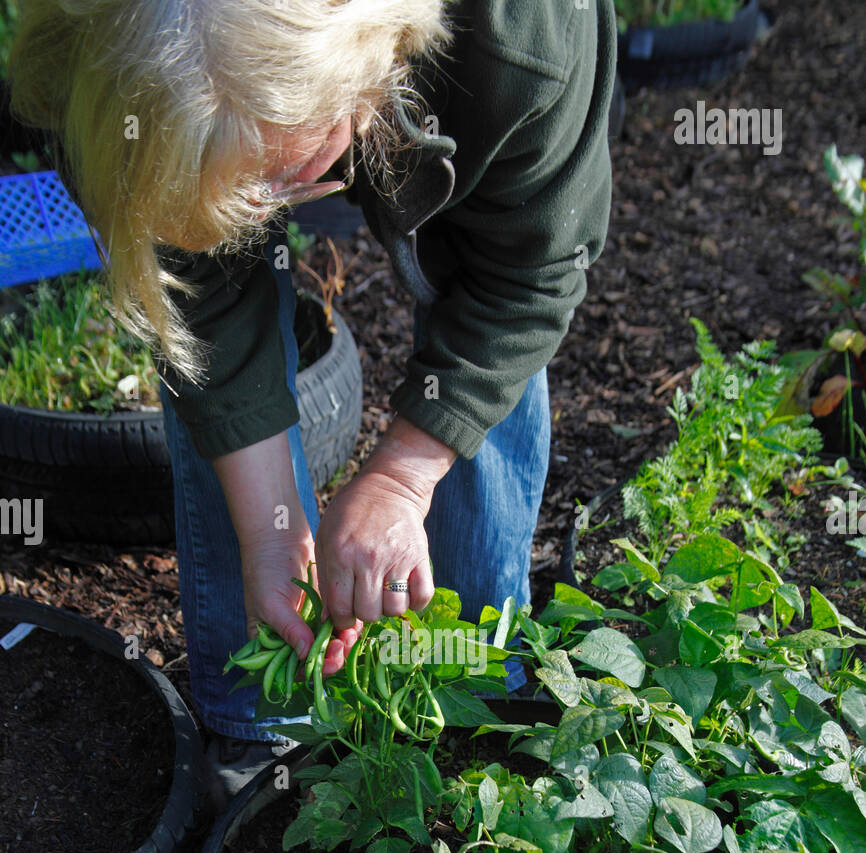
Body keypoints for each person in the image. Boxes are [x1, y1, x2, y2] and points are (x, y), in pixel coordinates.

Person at [9, 0, 617, 807]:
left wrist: (403, 477)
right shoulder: (109, 56)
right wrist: (270, 535)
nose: (263, 214)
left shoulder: (524, 42)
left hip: (469, 82)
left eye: (276, 182)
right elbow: (202, 301)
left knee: (481, 315)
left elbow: (528, 276)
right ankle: (266, 718)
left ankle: (470, 689)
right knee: (201, 269)